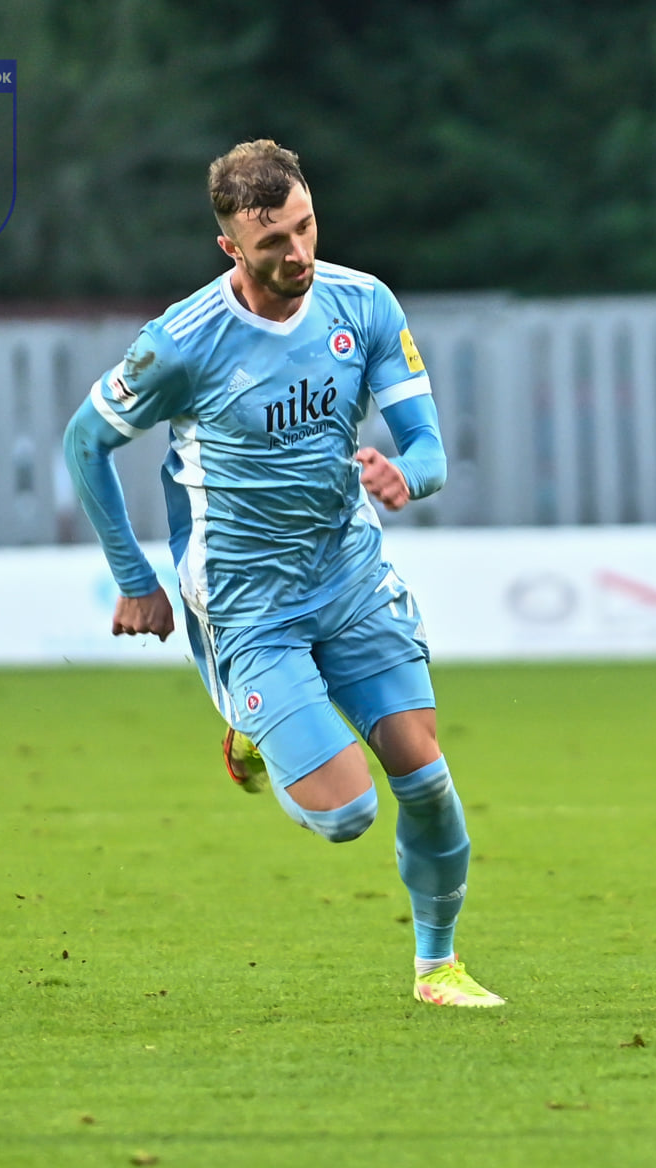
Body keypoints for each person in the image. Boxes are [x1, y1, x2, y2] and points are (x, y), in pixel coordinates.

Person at [62, 139, 502, 1008]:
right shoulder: (181, 343)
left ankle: (438, 967)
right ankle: (252, 728)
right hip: (247, 599)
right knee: (347, 814)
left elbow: (429, 447)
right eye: (273, 241)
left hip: (349, 574)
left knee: (425, 777)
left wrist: (405, 476)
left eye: (305, 227)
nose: (298, 252)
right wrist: (135, 577)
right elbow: (86, 441)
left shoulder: (363, 303)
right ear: (230, 246)